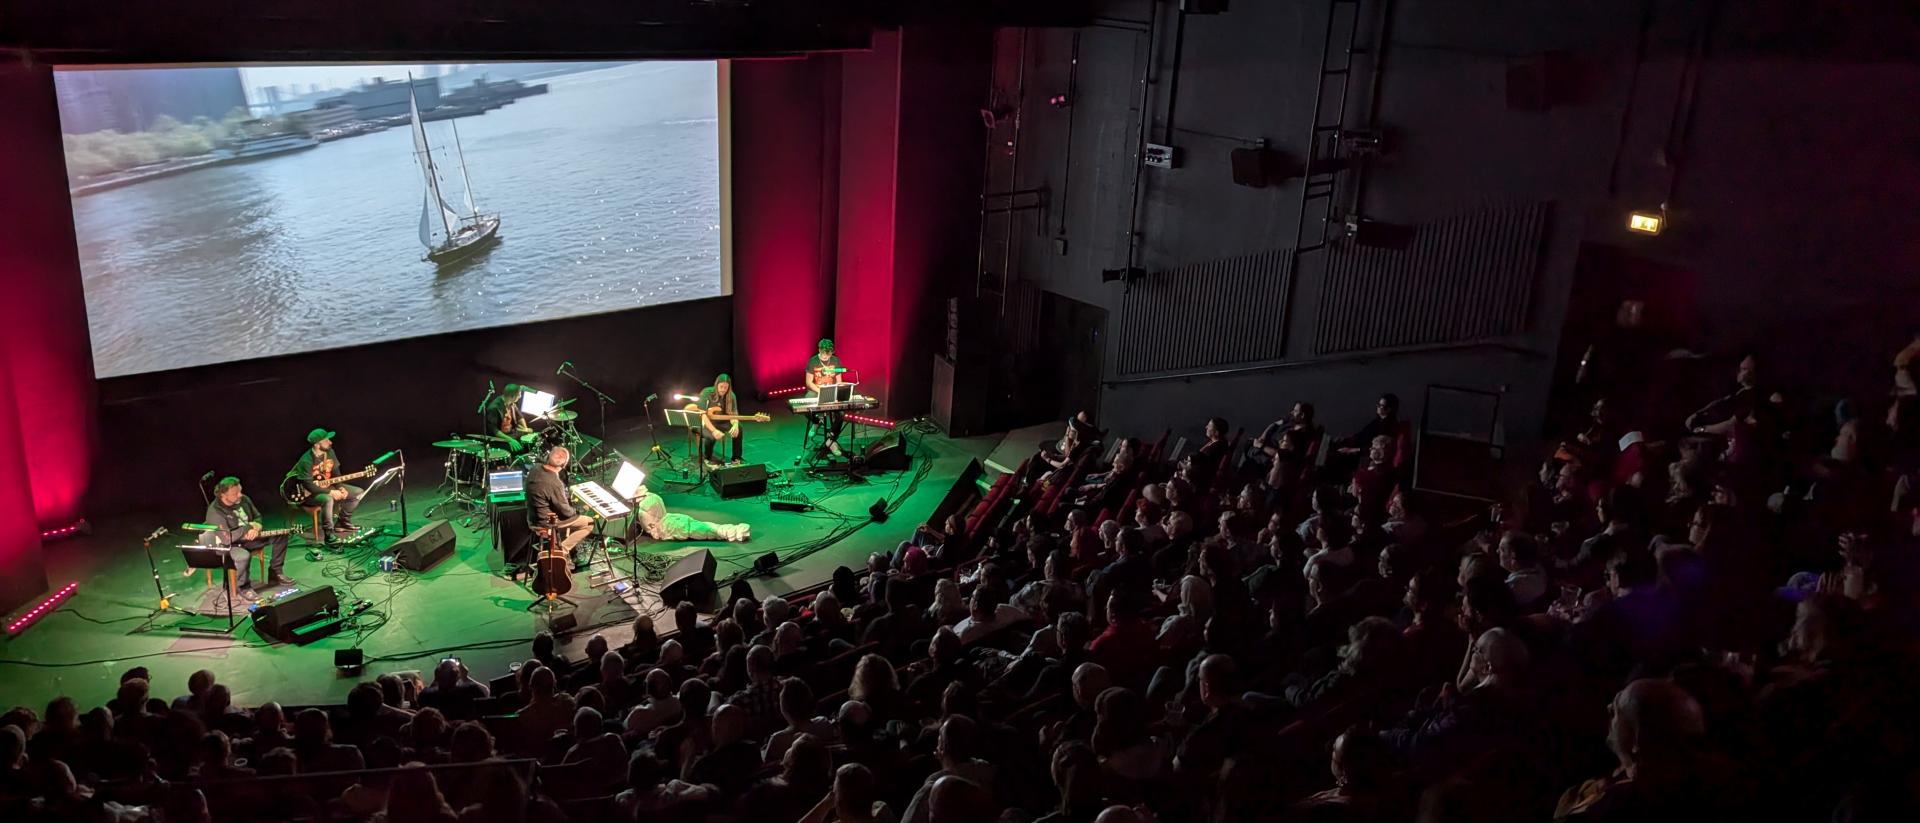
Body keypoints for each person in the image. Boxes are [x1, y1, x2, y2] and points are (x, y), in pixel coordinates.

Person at [204, 476, 292, 599]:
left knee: (281, 535)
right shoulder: (215, 511)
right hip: (231, 544)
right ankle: (243, 587)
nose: (240, 495)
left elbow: (257, 516)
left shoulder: (244, 499)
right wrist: (248, 527)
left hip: (251, 538)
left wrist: (257, 527)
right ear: (223, 495)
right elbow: (227, 538)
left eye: (240, 491)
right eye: (235, 493)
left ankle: (275, 573)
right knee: (243, 556)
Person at [287, 427, 364, 535]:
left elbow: (336, 473)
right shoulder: (306, 460)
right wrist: (331, 492)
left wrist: (340, 487)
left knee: (358, 492)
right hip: (308, 494)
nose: (330, 442)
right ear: (317, 444)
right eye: (326, 440)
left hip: (325, 487)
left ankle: (343, 523)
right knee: (328, 499)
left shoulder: (330, 452)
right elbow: (308, 485)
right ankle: (328, 533)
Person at [525, 446, 595, 561]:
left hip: (532, 517)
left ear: (548, 457)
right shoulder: (555, 483)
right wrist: (579, 510)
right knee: (589, 522)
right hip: (546, 522)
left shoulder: (535, 468)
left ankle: (563, 545)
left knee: (570, 519)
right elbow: (566, 512)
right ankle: (562, 551)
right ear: (564, 465)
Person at [630, 479, 750, 542]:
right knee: (703, 527)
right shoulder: (652, 497)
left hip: (671, 526)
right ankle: (729, 531)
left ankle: (731, 532)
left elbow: (649, 527)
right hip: (672, 520)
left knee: (704, 529)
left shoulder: (645, 506)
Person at [695, 372, 752, 467]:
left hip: (723, 422)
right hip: (708, 422)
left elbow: (733, 414)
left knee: (739, 428)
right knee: (710, 436)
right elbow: (703, 415)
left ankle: (736, 458)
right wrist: (714, 430)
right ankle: (707, 457)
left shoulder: (731, 396)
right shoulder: (706, 392)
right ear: (716, 384)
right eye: (721, 386)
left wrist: (735, 425)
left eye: (726, 387)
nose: (723, 389)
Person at [806, 338, 850, 457]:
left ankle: (831, 440)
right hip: (816, 391)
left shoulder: (836, 361)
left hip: (832, 391)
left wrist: (839, 392)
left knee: (841, 413)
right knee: (805, 406)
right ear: (819, 350)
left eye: (828, 354)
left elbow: (839, 381)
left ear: (831, 352)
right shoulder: (813, 361)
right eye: (823, 354)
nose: (825, 357)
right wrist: (820, 391)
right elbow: (809, 382)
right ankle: (817, 422)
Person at [483, 383, 534, 453]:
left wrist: (525, 429)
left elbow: (520, 417)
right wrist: (510, 440)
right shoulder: (494, 408)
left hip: (511, 433)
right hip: (499, 438)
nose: (520, 397)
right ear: (512, 396)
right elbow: (494, 430)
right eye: (519, 394)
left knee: (532, 438)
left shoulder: (511, 404)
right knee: (521, 449)